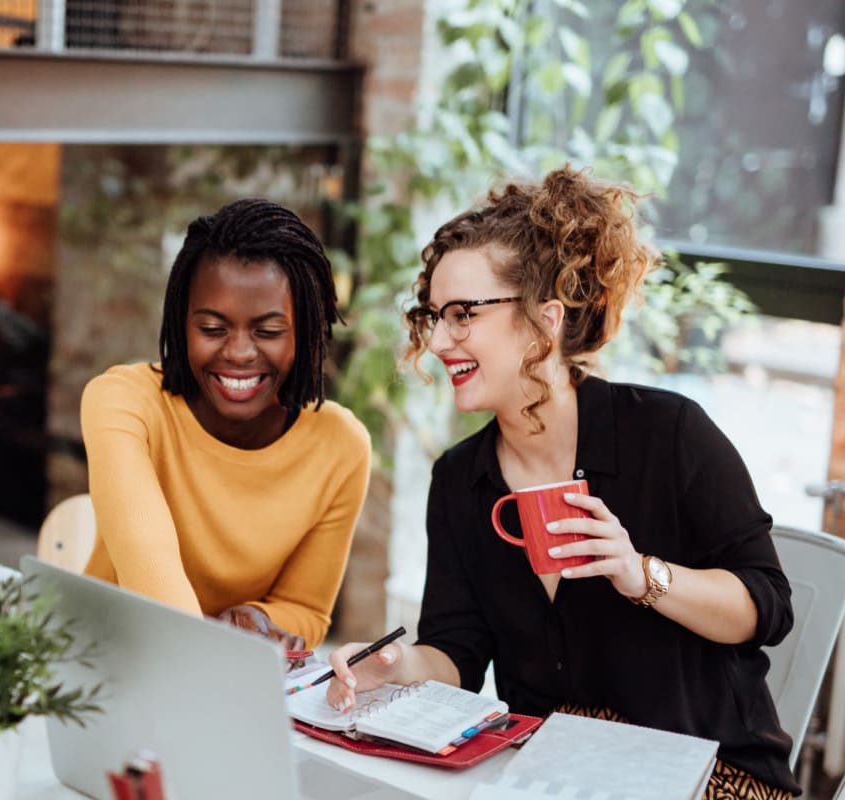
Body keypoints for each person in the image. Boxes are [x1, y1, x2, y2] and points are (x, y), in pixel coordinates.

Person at [326, 166, 800, 798]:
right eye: (434, 316)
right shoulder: (461, 481)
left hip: (709, 772)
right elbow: (458, 655)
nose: (439, 340)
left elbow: (765, 607)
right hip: (558, 777)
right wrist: (394, 666)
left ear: (544, 320)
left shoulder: (669, 434)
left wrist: (641, 574)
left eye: (464, 314)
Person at [81, 198, 372, 652]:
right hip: (106, 658)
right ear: (181, 325)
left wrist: (258, 619)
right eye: (213, 328)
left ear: (308, 333)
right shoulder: (124, 402)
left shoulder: (341, 446)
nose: (238, 353)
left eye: (269, 331)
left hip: (226, 676)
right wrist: (215, 643)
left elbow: (306, 609)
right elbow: (148, 567)